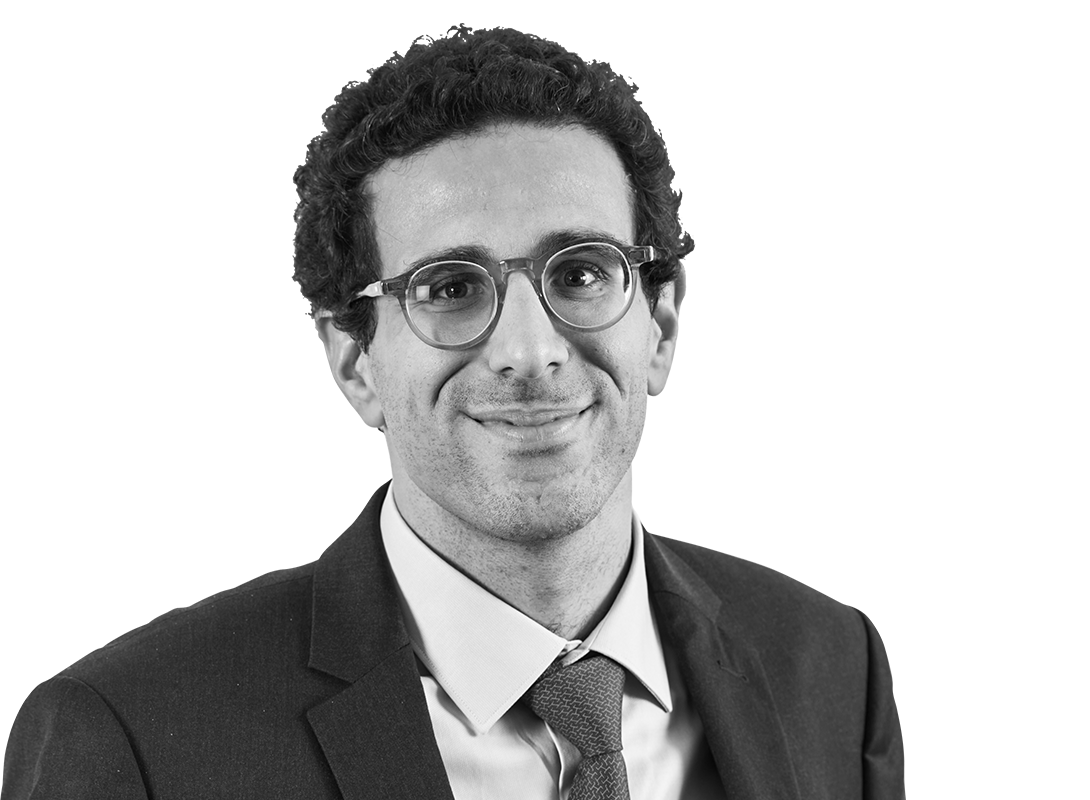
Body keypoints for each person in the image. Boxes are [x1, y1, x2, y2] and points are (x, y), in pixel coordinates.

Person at [2, 29, 903, 800]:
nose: (530, 351)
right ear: (355, 363)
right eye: (449, 288)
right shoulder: (136, 738)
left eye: (581, 273)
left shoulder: (830, 666)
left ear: (660, 327)